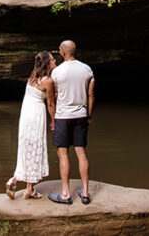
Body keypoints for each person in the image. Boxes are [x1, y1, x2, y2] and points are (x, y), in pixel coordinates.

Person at [48, 39, 95, 205]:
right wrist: (88, 117)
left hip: (62, 116)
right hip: (81, 115)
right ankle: (86, 193)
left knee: (63, 154)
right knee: (81, 152)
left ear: (62, 52)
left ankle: (66, 194)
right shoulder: (87, 69)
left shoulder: (57, 72)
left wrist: (53, 120)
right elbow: (91, 96)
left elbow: (53, 97)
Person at [4, 51, 56, 200]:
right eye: (53, 60)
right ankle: (28, 189)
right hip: (36, 115)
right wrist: (54, 121)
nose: (55, 62)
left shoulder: (32, 77)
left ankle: (16, 181)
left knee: (27, 147)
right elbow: (51, 104)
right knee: (35, 147)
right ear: (47, 63)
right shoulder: (48, 81)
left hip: (26, 114)